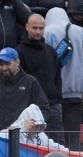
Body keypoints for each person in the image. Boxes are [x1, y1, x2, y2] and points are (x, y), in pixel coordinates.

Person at [44, 7, 83, 150]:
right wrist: (79, 65)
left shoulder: (46, 31)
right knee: (73, 135)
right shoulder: (80, 31)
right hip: (76, 93)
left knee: (53, 138)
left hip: (53, 95)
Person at [15, 13, 64, 141]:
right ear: (26, 27)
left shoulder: (51, 51)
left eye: (41, 28)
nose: (38, 32)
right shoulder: (19, 52)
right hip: (31, 108)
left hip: (53, 107)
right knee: (33, 145)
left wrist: (58, 101)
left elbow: (57, 77)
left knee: (58, 144)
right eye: (34, 28)